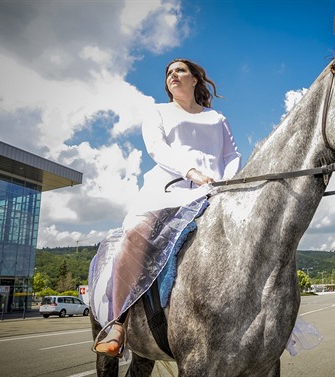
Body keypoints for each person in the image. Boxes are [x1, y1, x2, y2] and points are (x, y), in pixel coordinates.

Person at [93, 59, 241, 357]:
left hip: (215, 193)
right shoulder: (158, 112)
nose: (173, 75)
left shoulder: (217, 118)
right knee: (135, 234)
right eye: (169, 73)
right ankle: (116, 323)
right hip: (168, 192)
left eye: (180, 71)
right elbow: (157, 149)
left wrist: (224, 183)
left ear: (196, 79)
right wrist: (192, 172)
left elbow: (232, 154)